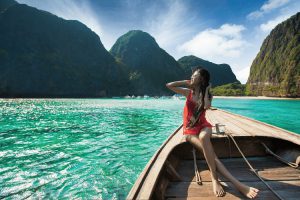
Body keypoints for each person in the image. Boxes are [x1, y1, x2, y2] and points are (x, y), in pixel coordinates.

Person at [165, 67, 259, 198]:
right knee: (212, 156)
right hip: (189, 130)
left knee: (204, 137)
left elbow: (206, 106)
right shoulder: (188, 92)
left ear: (202, 79)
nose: (192, 76)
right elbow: (169, 85)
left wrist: (207, 90)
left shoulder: (207, 95)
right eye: (192, 75)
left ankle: (220, 180)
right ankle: (232, 183)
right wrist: (186, 82)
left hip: (204, 125)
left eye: (195, 75)